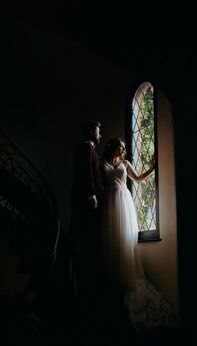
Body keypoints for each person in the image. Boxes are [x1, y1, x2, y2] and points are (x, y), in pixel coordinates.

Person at [100, 137, 178, 334]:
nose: (124, 150)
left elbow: (138, 179)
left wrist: (152, 168)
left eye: (126, 147)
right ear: (114, 146)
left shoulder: (126, 164)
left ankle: (126, 280)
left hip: (122, 202)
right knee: (112, 240)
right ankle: (113, 282)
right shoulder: (103, 163)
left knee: (125, 239)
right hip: (109, 203)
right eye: (122, 146)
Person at [68, 120, 103, 314]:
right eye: (99, 130)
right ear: (91, 131)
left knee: (86, 239)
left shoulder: (89, 149)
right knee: (82, 237)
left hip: (88, 203)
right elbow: (86, 173)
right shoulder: (85, 148)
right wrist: (91, 195)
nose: (100, 134)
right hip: (85, 202)